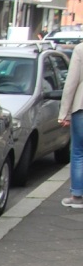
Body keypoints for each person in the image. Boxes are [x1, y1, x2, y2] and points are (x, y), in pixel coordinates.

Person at [56, 40, 83, 208]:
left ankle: (78, 196)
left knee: (79, 151)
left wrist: (64, 113)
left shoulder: (81, 49)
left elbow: (71, 82)